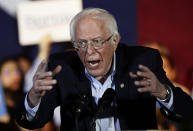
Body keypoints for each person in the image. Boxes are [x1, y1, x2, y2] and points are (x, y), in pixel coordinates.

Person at [16, 8, 193, 131]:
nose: (89, 51)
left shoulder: (142, 62)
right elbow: (31, 122)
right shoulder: (63, 68)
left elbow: (187, 111)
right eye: (81, 43)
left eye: (97, 41)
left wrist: (163, 92)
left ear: (115, 40)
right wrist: (33, 98)